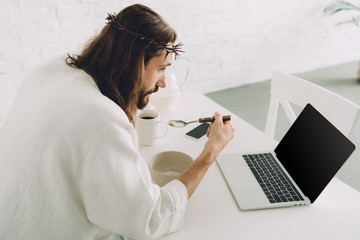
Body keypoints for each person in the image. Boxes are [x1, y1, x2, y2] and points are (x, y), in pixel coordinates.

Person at [0, 4, 235, 240]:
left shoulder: (53, 68)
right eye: (161, 69)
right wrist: (209, 153)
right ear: (132, 64)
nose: (163, 83)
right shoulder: (101, 118)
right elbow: (148, 220)